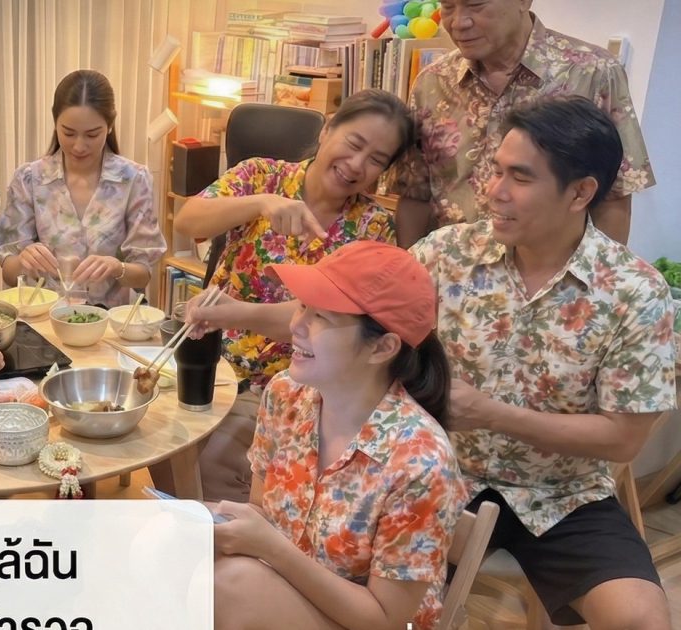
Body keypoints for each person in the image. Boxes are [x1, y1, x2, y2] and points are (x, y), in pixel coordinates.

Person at [192, 97, 676, 629]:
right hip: (428, 477)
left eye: (519, 177)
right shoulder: (448, 252)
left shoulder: (635, 292)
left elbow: (623, 439)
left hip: (559, 493)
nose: (493, 190)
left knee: (642, 620)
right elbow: (350, 313)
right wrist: (232, 312)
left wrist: (492, 414)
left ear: (580, 192)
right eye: (495, 170)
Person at [171, 89, 416, 502]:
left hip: (293, 385)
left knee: (205, 467)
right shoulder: (261, 176)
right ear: (327, 130)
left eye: (376, 159)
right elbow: (187, 220)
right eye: (354, 143)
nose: (357, 165)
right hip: (213, 361)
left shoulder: (373, 229)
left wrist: (235, 314)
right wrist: (261, 204)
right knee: (157, 442)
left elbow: (327, 324)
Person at [211, 241, 463, 630]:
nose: (296, 325)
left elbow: (384, 618)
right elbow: (263, 511)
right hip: (284, 586)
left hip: (368, 621)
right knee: (165, 544)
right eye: (301, 306)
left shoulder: (422, 461)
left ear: (383, 347)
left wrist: (271, 549)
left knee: (231, 586)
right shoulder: (286, 395)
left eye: (321, 317)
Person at [393, 0, 653, 246]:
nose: (459, 22)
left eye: (476, 5)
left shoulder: (591, 73)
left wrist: (597, 276)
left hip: (551, 270)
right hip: (449, 267)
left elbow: (614, 195)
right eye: (448, 6)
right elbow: (415, 192)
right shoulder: (432, 81)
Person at [0, 70, 165, 307]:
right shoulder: (29, 179)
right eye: (68, 133)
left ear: (109, 125)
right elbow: (8, 271)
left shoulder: (134, 179)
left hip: (110, 320)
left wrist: (116, 268)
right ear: (55, 123)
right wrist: (25, 260)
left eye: (92, 134)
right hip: (45, 319)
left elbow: (143, 273)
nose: (79, 146)